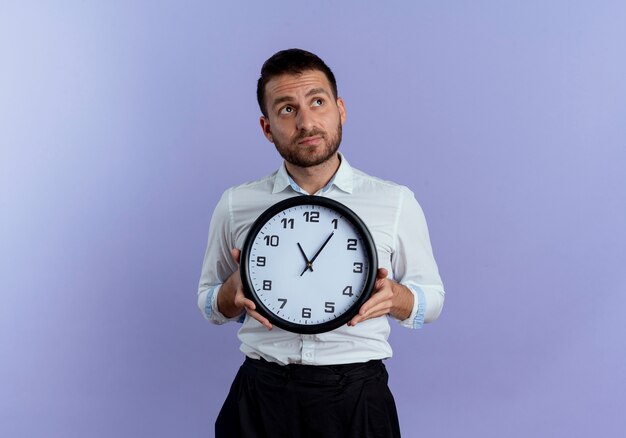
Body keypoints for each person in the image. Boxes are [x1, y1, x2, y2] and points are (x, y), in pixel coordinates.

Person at [197, 48, 445, 438]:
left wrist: (395, 296)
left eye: (317, 102)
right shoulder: (236, 203)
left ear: (340, 109)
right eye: (287, 109)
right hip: (261, 395)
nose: (307, 122)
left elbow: (432, 298)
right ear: (267, 127)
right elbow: (209, 302)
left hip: (356, 398)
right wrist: (228, 294)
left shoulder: (394, 201)